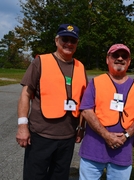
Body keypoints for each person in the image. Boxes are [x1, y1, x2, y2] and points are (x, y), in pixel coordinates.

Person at [15, 24, 87, 180]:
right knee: (34, 176)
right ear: (56, 40)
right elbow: (25, 94)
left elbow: (83, 101)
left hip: (68, 137)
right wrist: (22, 125)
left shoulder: (80, 67)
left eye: (72, 40)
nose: (69, 43)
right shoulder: (40, 62)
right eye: (64, 39)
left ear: (77, 43)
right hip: (41, 135)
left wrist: (81, 127)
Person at [78, 44, 134, 180]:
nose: (120, 58)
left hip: (122, 152)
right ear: (107, 59)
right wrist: (106, 135)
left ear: (129, 61)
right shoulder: (95, 83)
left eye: (124, 56)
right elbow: (86, 111)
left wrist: (126, 136)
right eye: (115, 55)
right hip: (93, 150)